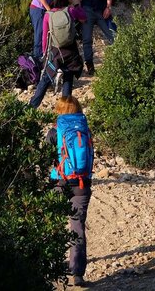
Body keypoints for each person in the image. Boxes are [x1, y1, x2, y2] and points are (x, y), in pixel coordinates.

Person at [45, 96, 92, 288]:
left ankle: (50, 265)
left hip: (60, 181)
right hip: (82, 184)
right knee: (77, 227)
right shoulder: (86, 130)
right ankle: (78, 273)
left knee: (52, 223)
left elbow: (46, 157)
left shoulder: (55, 131)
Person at [29, 0, 86, 109]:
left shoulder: (48, 15)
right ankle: (65, 110)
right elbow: (83, 17)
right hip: (70, 52)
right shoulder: (70, 11)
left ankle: (32, 107)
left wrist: (45, 54)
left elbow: (45, 37)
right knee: (68, 78)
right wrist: (75, 1)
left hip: (55, 53)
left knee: (45, 79)